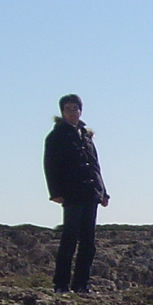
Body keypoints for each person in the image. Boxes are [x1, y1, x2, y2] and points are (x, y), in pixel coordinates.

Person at [44, 94, 109, 293]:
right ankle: (61, 285)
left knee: (88, 242)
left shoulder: (86, 135)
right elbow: (50, 165)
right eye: (68, 109)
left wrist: (103, 192)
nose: (72, 112)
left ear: (81, 110)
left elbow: (95, 165)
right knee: (69, 238)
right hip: (71, 193)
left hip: (91, 193)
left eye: (75, 108)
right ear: (62, 112)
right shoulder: (56, 136)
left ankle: (82, 284)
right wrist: (55, 192)